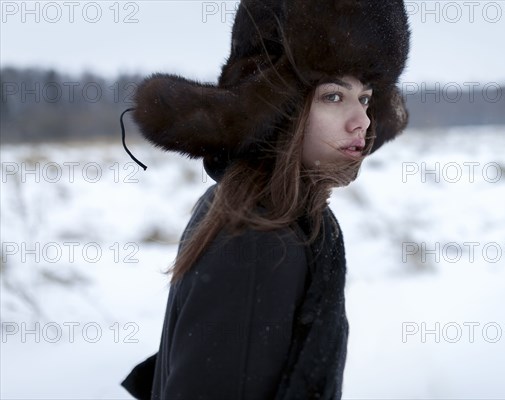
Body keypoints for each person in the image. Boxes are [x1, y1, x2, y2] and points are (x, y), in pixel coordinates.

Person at [120, 0, 410, 399]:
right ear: (276, 107)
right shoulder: (258, 238)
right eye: (333, 96)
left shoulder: (265, 210)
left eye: (364, 97)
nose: (362, 119)